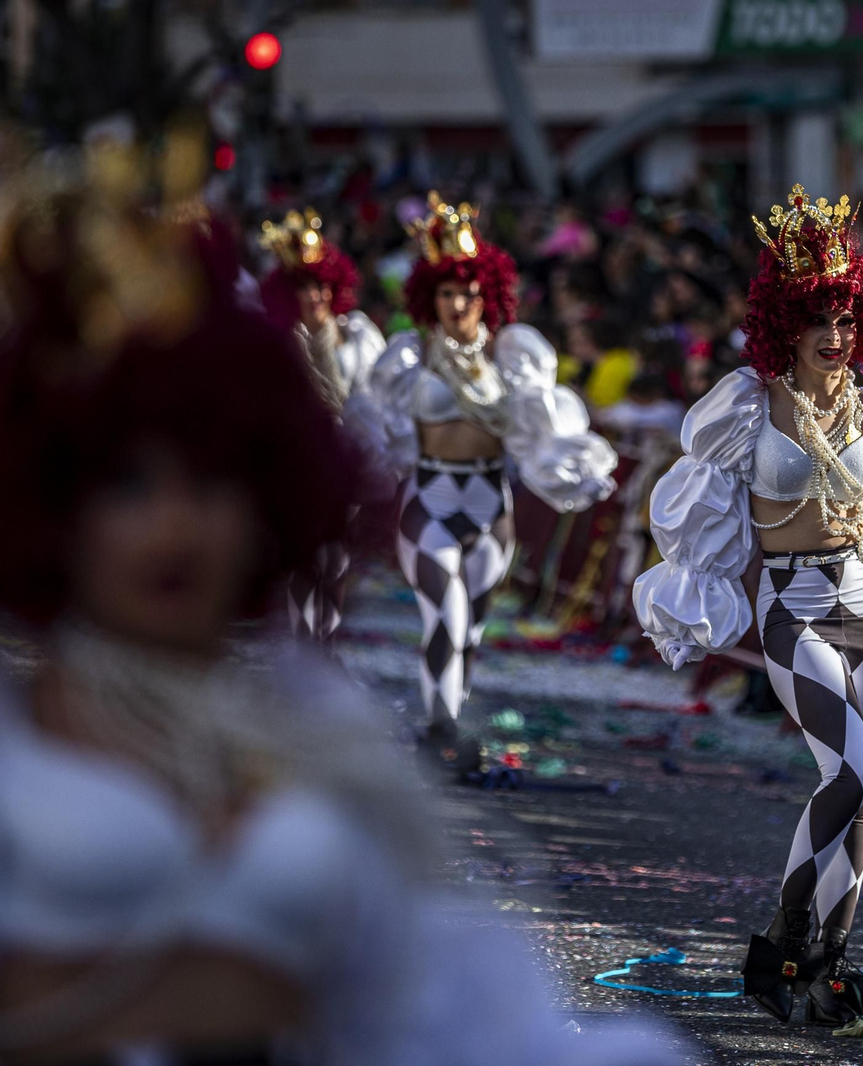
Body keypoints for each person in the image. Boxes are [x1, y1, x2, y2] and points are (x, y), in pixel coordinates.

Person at [0, 151, 676, 1066]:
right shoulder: (21, 739)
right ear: (54, 509)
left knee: (454, 625)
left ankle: (450, 706)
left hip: (472, 509)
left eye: (213, 481)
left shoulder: (318, 725)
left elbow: (452, 1011)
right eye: (126, 486)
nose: (175, 527)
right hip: (435, 508)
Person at [632, 185, 863, 1030]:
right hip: (795, 608)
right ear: (785, 323)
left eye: (848, 321)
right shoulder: (745, 407)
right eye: (819, 320)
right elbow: (697, 518)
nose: (835, 337)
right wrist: (695, 603)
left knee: (861, 796)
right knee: (848, 773)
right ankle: (782, 946)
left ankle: (828, 961)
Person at [346, 192, 617, 759]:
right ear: (430, 296)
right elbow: (377, 422)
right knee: (446, 612)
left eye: (467, 292)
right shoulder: (411, 354)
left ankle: (451, 716)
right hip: (431, 502)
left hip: (493, 507)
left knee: (469, 632)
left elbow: (542, 429)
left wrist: (572, 467)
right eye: (445, 292)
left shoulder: (512, 354)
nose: (457, 303)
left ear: (486, 294)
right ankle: (439, 726)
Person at [259, 207, 386, 643]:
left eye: (321, 286)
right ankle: (300, 644)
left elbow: (370, 400)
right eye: (303, 288)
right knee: (301, 558)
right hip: (295, 460)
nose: (315, 296)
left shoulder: (357, 336)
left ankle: (324, 644)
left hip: (343, 458)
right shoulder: (277, 340)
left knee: (337, 561)